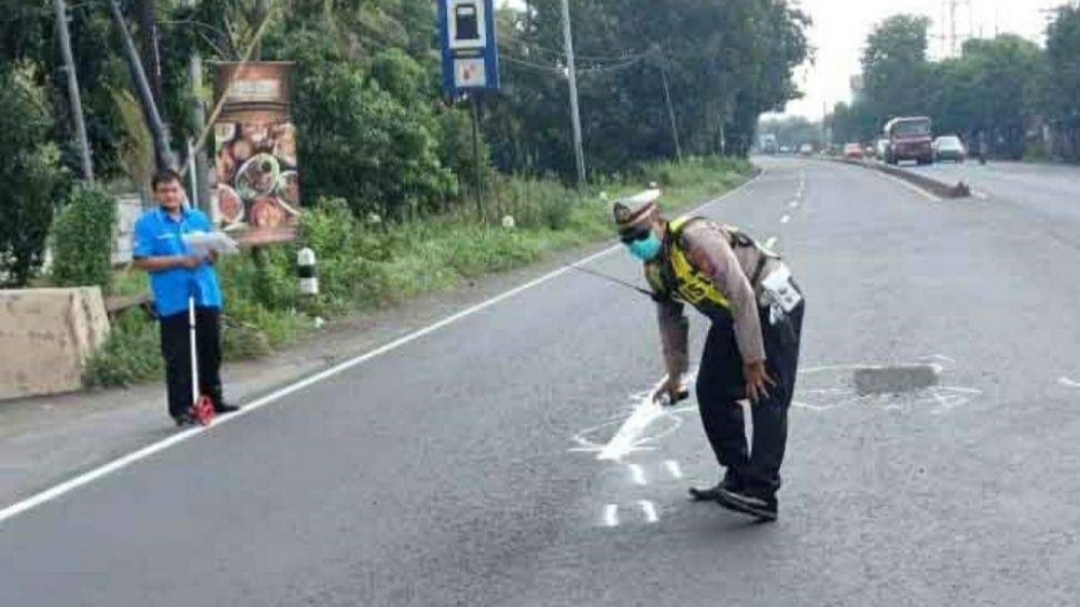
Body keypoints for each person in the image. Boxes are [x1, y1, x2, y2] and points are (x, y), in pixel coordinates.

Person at [612, 190, 805, 521]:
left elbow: (742, 292)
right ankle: (739, 474)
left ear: (659, 221)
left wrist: (753, 361)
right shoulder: (656, 268)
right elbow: (671, 322)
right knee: (711, 390)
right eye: (628, 240)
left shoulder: (695, 239)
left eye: (641, 234)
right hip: (732, 315)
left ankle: (762, 491)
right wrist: (675, 378)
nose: (636, 244)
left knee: (766, 391)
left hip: (769, 299)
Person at [133, 169, 239, 426]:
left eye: (174, 190)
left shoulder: (198, 218)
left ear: (182, 192)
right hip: (173, 297)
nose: (170, 195)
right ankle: (181, 407)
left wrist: (214, 253)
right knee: (178, 354)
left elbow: (211, 255)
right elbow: (142, 261)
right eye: (164, 191)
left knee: (210, 348)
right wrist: (181, 261)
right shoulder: (148, 224)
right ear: (156, 194)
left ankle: (213, 398)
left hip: (205, 291)